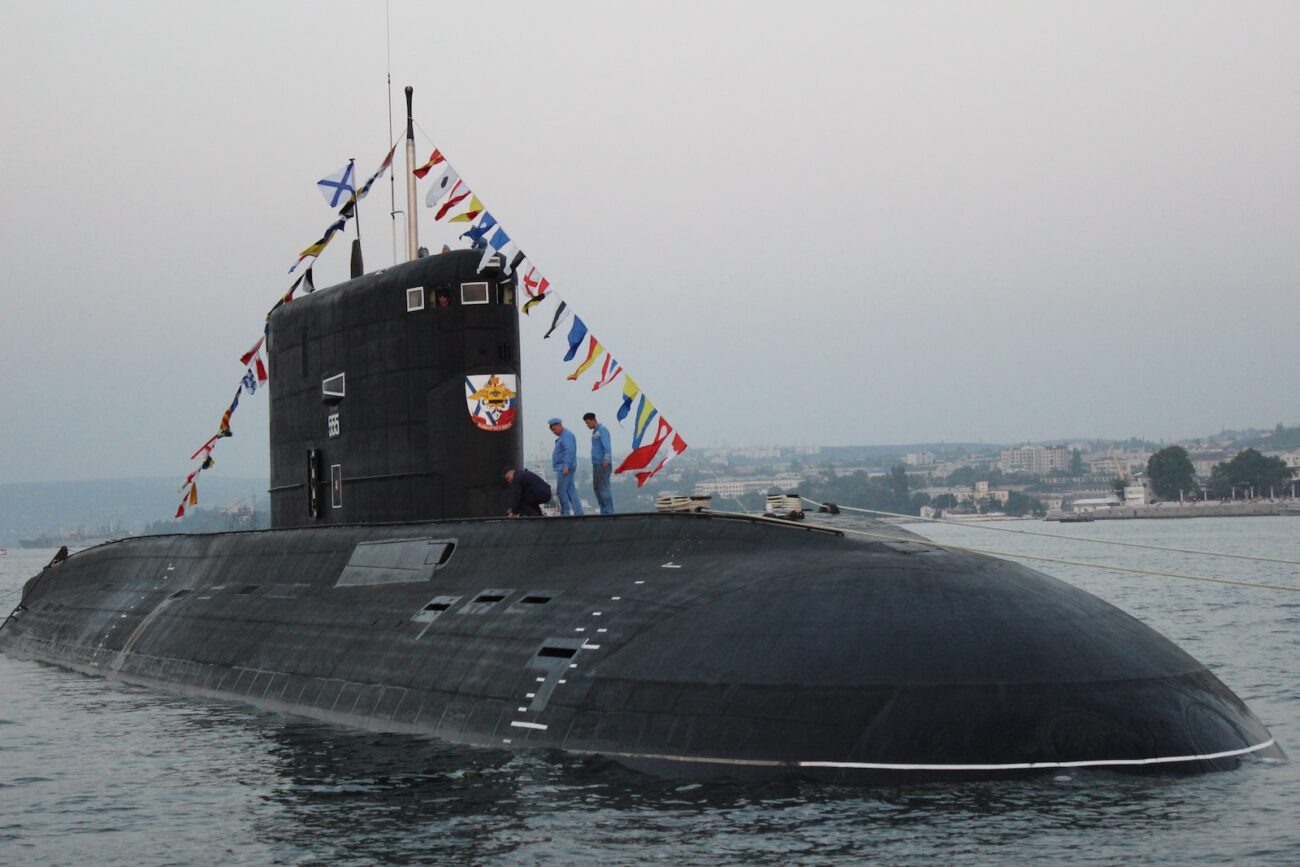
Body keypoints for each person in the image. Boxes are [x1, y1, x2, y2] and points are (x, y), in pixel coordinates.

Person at [549, 417, 583, 516]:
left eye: (554, 429)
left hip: (564, 468)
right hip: (565, 467)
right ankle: (578, 511)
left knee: (561, 491)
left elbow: (569, 451)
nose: (554, 432)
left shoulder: (566, 436)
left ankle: (565, 512)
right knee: (571, 490)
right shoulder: (564, 436)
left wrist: (566, 466)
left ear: (559, 425)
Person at [583, 411, 615, 514]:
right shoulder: (594, 432)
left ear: (593, 420)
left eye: (588, 422)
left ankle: (608, 511)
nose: (587, 425)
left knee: (604, 488)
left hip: (603, 463)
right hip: (596, 463)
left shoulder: (602, 430)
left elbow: (607, 446)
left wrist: (606, 459)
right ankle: (603, 510)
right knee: (597, 488)